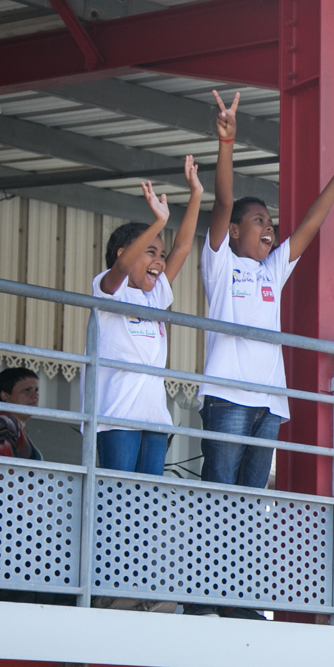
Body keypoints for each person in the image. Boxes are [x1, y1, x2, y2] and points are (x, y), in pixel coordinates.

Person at [199, 93, 334, 488]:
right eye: (258, 220)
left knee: (251, 497)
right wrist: (226, 143)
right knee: (218, 492)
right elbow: (222, 202)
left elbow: (311, 221)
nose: (269, 227)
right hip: (228, 396)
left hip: (270, 402)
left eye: (270, 221)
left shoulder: (272, 272)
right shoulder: (221, 263)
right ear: (234, 231)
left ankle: (242, 553)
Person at [92, 169, 203, 475]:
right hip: (117, 416)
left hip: (155, 418)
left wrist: (196, 196)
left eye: (160, 254)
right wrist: (158, 222)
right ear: (123, 253)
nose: (159, 260)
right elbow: (123, 266)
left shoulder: (155, 295)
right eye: (150, 252)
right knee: (118, 499)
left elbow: (182, 248)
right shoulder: (108, 288)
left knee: (146, 504)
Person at [0, 367, 41, 460]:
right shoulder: (4, 422)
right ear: (5, 396)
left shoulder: (11, 424)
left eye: (36, 390)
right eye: (27, 390)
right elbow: (0, 470)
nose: (35, 395)